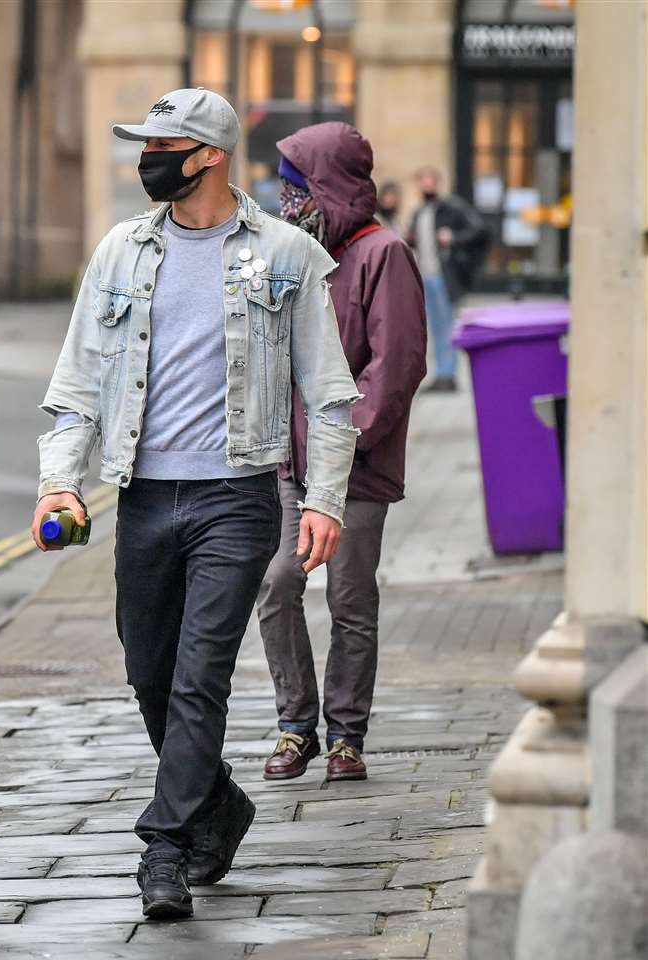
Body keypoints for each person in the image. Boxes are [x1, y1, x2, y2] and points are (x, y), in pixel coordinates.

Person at [34, 89, 358, 920]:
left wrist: (324, 501)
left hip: (238, 497)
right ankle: (221, 804)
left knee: (198, 675)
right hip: (142, 496)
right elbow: (75, 388)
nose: (147, 156)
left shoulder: (286, 255)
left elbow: (328, 396)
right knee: (149, 673)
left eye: (162, 142)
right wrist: (61, 482)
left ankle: (165, 847)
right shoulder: (118, 253)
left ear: (209, 153)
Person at [260, 124, 427, 784]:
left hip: (356, 465)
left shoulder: (385, 255)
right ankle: (295, 724)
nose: (285, 202)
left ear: (327, 188)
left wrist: (342, 441)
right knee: (277, 585)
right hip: (290, 464)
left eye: (295, 189)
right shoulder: (297, 256)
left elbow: (397, 366)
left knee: (350, 600)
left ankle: (346, 736)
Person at [407, 167, 486, 393]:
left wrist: (453, 238)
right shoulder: (420, 213)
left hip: (445, 277)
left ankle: (448, 375)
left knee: (447, 326)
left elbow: (478, 231)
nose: (427, 186)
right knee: (434, 327)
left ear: (438, 184)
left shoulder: (452, 208)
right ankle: (441, 373)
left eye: (430, 182)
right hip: (425, 276)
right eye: (423, 182)